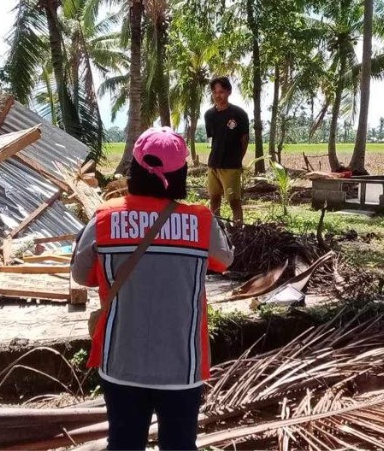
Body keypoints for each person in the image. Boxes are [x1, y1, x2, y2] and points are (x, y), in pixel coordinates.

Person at [71, 127, 234, 450]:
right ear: (180, 174)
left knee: (123, 443)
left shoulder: (104, 218)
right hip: (182, 367)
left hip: (121, 363)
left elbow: (82, 275)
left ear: (134, 169)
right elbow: (223, 261)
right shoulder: (201, 222)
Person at [203, 76, 250, 225]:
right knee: (214, 199)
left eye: (221, 91)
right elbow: (212, 139)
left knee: (234, 201)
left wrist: (237, 159)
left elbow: (244, 140)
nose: (218, 95)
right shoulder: (209, 115)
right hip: (214, 164)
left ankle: (238, 229)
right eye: (215, 92)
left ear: (229, 92)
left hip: (231, 165)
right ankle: (215, 230)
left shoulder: (239, 114)